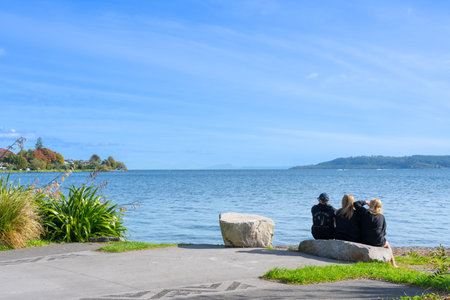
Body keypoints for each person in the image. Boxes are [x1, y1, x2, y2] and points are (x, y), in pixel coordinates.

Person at [354, 198, 398, 267]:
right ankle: (393, 264)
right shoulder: (382, 217)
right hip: (378, 242)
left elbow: (356, 203)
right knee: (387, 244)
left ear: (370, 205)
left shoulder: (365, 213)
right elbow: (383, 232)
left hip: (365, 241)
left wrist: (365, 202)